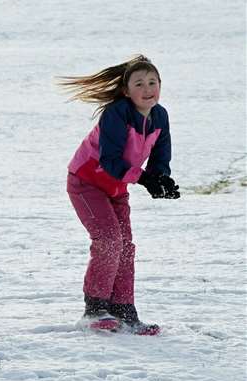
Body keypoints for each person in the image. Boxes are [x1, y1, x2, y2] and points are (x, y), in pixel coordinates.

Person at [58, 55, 177, 335]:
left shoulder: (160, 115)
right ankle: (95, 309)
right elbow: (110, 161)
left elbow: (161, 155)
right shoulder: (116, 114)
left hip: (116, 188)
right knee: (109, 240)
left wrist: (161, 179)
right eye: (139, 84)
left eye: (152, 82)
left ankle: (124, 310)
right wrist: (145, 179)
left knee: (125, 245)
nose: (147, 89)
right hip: (86, 183)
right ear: (126, 91)